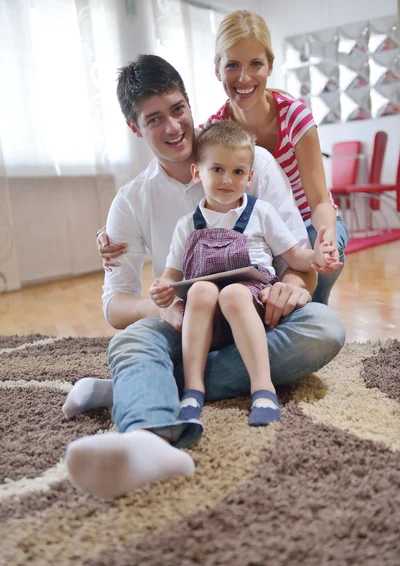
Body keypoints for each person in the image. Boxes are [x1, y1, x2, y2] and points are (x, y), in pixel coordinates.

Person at [63, 54, 345, 500]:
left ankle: (137, 387)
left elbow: (295, 258)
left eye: (178, 109)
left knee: (324, 329)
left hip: (253, 316)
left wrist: (290, 288)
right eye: (155, 119)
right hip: (188, 321)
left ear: (191, 105)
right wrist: (166, 306)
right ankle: (148, 440)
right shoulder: (131, 201)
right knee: (132, 340)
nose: (173, 127)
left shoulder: (255, 164)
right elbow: (115, 305)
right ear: (136, 129)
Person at [100, 10, 348, 306]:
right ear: (218, 70)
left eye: (255, 63)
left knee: (313, 300)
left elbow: (320, 200)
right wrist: (116, 224)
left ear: (270, 65)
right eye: (233, 65)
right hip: (250, 246)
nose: (243, 77)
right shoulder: (217, 134)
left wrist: (325, 241)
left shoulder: (291, 117)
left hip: (309, 219)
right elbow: (183, 160)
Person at [149, 120, 340, 429]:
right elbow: (170, 277)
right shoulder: (187, 224)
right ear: (197, 172)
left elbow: (294, 256)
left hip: (251, 303)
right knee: (200, 291)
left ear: (250, 177)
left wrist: (318, 256)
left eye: (238, 172)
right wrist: (161, 291)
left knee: (234, 292)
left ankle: (262, 388)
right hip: (205, 317)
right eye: (217, 170)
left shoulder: (261, 212)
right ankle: (193, 389)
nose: (228, 180)